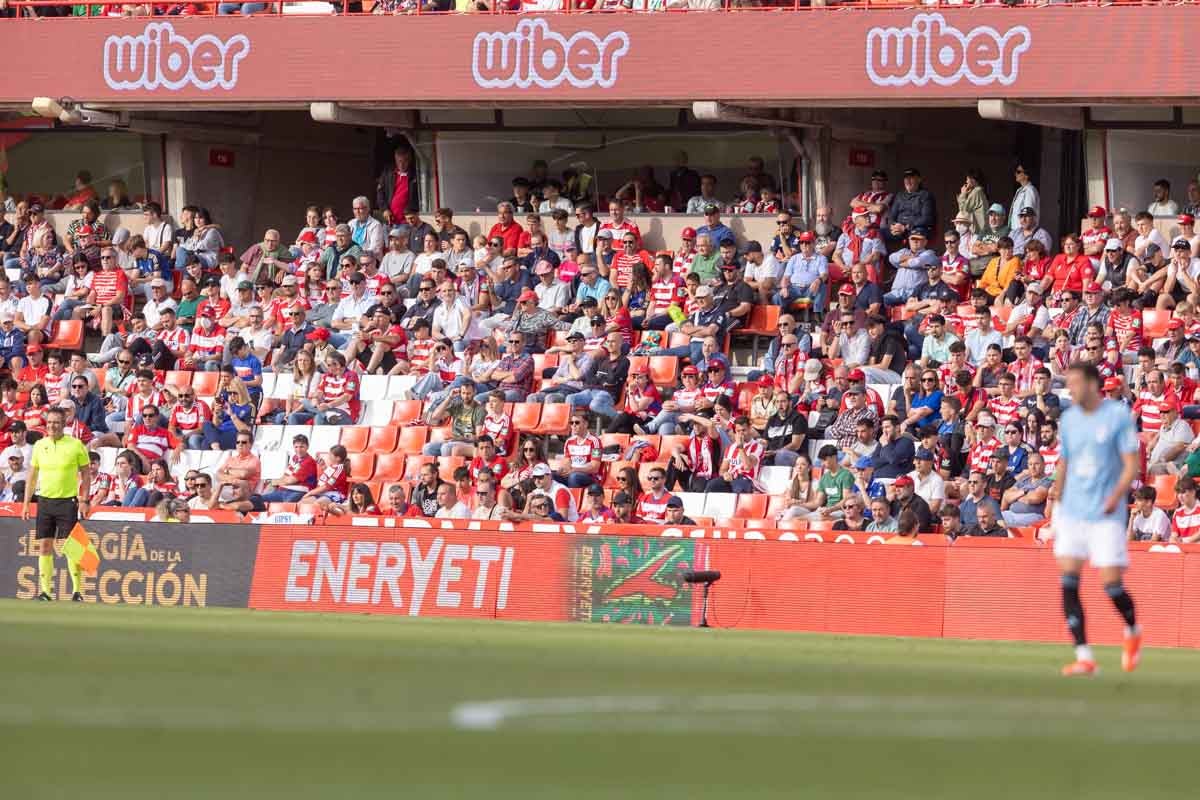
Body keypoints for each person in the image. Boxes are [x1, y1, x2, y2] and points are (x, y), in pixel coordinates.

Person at [1052, 362, 1141, 676]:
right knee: (1068, 581)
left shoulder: (1117, 415)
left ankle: (1132, 631)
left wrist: (1115, 498)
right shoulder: (1069, 419)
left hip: (1106, 513)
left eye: (1074, 382)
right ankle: (1084, 656)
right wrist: (1057, 502)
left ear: (1092, 384)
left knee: (1111, 585)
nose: (1070, 389)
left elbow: (1132, 464)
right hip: (1073, 510)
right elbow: (1065, 461)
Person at [21, 406, 92, 602]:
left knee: (71, 546)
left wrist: (84, 499)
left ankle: (77, 591)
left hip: (67, 501)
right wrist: (26, 503)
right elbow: (32, 476)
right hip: (44, 501)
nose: (52, 425)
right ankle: (46, 592)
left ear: (64, 424)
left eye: (56, 422)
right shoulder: (39, 445)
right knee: (44, 545)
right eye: (50, 422)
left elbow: (86, 474)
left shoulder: (75, 445)